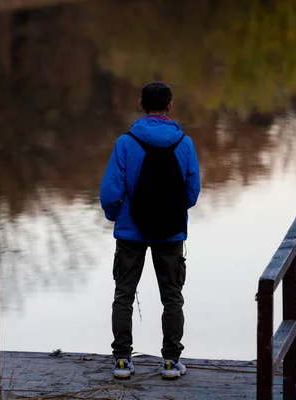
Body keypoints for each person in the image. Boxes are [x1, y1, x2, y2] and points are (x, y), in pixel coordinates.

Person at [100, 82, 201, 380]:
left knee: (123, 296)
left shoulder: (126, 142)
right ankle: (170, 362)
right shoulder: (184, 143)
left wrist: (116, 216)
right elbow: (192, 192)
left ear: (141, 104)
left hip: (131, 233)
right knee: (172, 297)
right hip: (170, 233)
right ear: (169, 105)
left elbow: (111, 191)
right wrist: (173, 211)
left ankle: (122, 361)